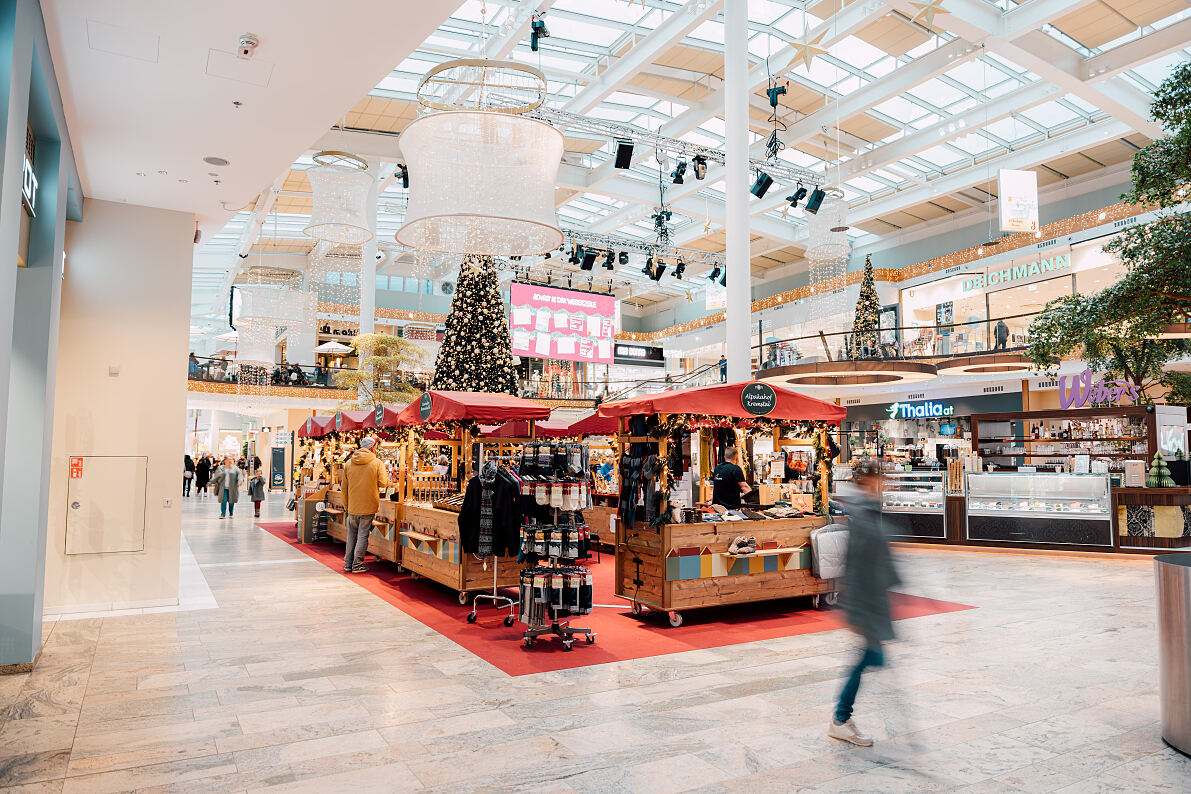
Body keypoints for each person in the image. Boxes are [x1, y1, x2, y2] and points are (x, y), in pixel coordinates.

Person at [829, 458, 900, 747]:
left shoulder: (866, 510)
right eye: (881, 478)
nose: (886, 483)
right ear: (870, 480)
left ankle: (841, 718)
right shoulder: (864, 515)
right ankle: (840, 719)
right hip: (866, 605)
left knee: (871, 658)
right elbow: (858, 566)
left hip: (871, 603)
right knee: (867, 659)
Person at [341, 436, 390, 573]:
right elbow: (384, 483)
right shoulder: (377, 462)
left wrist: (346, 505)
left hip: (352, 506)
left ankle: (348, 563)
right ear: (372, 447)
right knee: (363, 535)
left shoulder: (349, 463)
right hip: (368, 505)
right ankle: (357, 565)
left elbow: (343, 487)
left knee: (351, 535)